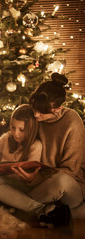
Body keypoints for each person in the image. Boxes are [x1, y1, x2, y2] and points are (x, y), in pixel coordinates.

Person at [26, 72, 85, 224]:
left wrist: (38, 178)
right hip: (38, 181)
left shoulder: (73, 122)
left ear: (58, 108)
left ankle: (17, 204)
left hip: (70, 186)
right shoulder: (36, 117)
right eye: (34, 108)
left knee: (61, 182)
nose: (36, 115)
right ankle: (46, 209)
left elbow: (70, 171)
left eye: (42, 112)